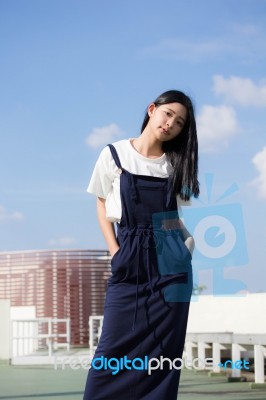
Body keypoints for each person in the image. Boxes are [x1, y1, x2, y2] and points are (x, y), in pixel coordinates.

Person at [83, 90, 199, 399]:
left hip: (169, 261)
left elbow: (173, 217)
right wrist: (116, 253)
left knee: (164, 356)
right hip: (129, 254)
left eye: (179, 122)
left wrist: (187, 245)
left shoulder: (174, 165)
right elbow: (101, 204)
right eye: (168, 114)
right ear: (152, 110)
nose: (171, 123)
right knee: (111, 350)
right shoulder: (115, 154)